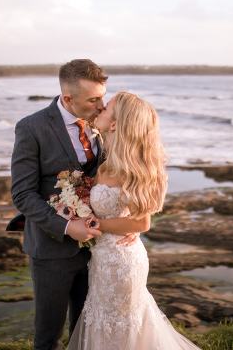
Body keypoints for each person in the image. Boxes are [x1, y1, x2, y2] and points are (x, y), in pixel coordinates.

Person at [10, 60, 138, 350]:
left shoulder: (103, 126)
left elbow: (122, 181)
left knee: (87, 332)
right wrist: (68, 226)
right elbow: (22, 194)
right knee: (48, 336)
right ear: (68, 98)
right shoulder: (32, 128)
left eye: (103, 97)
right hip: (51, 249)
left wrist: (131, 224)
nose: (101, 105)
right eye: (93, 99)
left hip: (100, 250)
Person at [67, 92, 201, 349]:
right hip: (103, 260)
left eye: (106, 109)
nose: (100, 110)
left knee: (122, 327)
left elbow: (142, 223)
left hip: (122, 261)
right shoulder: (107, 160)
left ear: (116, 123)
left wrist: (94, 225)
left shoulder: (130, 169)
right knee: (103, 323)